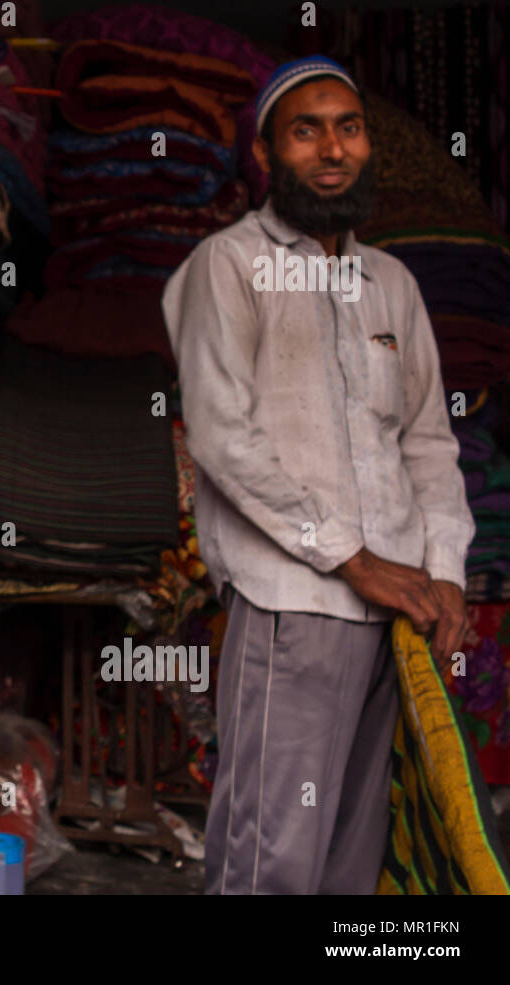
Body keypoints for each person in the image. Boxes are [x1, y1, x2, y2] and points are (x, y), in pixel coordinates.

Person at [161, 56, 476, 894]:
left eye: (348, 126)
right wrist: (354, 557)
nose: (332, 147)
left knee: (351, 850)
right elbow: (225, 440)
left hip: (393, 616)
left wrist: (443, 572)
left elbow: (429, 443)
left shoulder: (393, 284)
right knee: (272, 855)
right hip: (290, 608)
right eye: (307, 130)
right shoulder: (225, 268)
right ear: (267, 155)